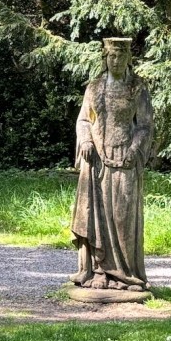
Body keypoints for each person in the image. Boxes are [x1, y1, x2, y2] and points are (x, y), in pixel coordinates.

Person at [70, 37, 154, 291]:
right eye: (111, 56)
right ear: (105, 59)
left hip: (125, 161)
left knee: (122, 216)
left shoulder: (137, 88)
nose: (116, 61)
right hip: (97, 162)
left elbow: (145, 125)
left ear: (129, 58)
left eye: (121, 56)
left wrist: (134, 149)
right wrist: (85, 140)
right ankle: (99, 272)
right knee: (97, 217)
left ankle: (126, 274)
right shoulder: (94, 88)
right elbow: (84, 120)